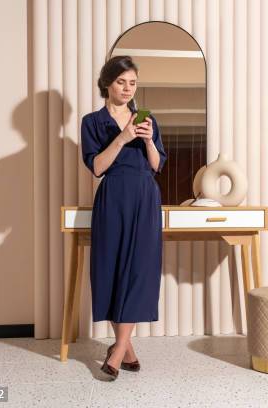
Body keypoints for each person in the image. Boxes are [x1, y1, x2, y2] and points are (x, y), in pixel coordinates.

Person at [80, 55, 167, 380]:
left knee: (139, 271)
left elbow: (157, 165)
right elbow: (98, 167)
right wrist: (122, 138)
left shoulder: (147, 119)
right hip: (113, 196)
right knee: (112, 269)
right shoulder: (92, 121)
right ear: (107, 83)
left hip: (145, 197)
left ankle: (116, 352)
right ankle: (126, 348)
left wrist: (146, 140)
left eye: (132, 83)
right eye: (121, 82)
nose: (128, 88)